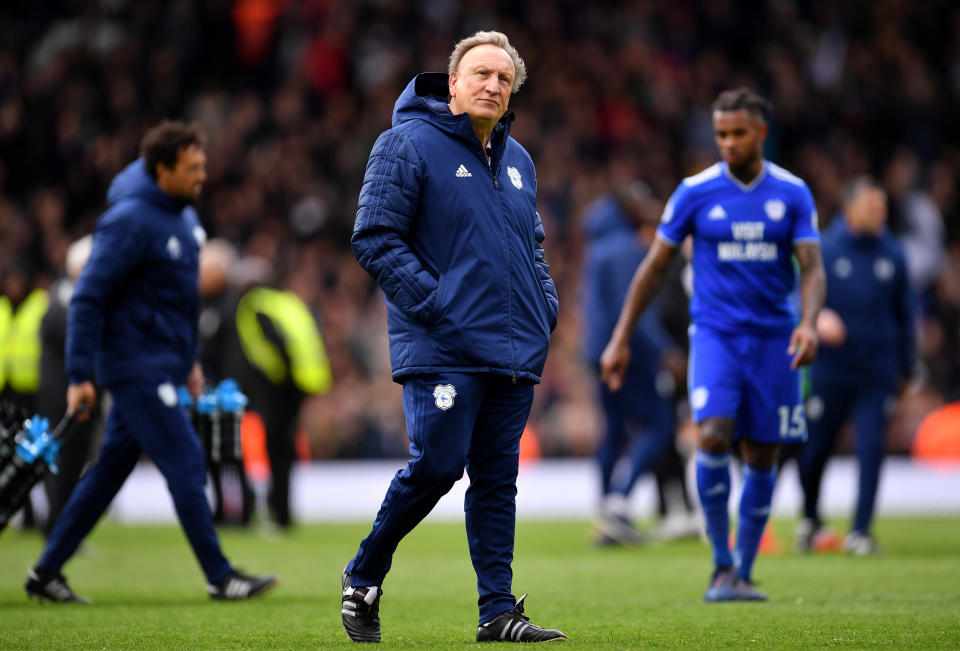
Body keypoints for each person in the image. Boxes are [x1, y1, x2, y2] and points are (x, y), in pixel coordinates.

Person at [341, 31, 565, 643]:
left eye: (503, 78)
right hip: (443, 347)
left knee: (496, 479)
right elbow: (373, 236)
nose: (491, 85)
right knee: (437, 465)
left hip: (514, 348)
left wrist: (544, 308)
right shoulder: (405, 143)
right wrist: (438, 306)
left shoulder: (519, 162)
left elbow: (533, 248)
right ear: (454, 83)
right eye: (480, 74)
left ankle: (497, 611)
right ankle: (363, 574)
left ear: (512, 90)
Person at [23, 121, 277, 603]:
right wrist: (80, 373)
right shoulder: (131, 220)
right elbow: (87, 298)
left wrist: (189, 362)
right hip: (133, 366)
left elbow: (178, 304)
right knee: (185, 459)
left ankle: (44, 572)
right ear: (163, 170)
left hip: (161, 365)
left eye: (203, 165)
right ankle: (220, 577)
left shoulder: (182, 219)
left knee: (106, 475)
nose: (203, 175)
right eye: (193, 167)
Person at [600, 88, 826, 602]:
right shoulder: (694, 192)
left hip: (774, 339)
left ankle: (744, 571)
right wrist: (620, 337)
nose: (727, 143)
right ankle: (721, 565)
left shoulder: (793, 193)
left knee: (763, 450)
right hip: (716, 337)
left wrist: (809, 322)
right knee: (715, 435)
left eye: (737, 133)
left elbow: (812, 268)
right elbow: (654, 268)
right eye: (720, 133)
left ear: (761, 133)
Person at [796, 177, 914, 555]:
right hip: (830, 370)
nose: (880, 214)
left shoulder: (892, 254)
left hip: (876, 372)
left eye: (883, 208)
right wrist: (815, 319)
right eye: (872, 207)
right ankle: (810, 518)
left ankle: (861, 530)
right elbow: (793, 293)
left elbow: (905, 314)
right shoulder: (823, 250)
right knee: (815, 449)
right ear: (849, 209)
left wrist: (907, 369)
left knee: (870, 449)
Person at [580, 181, 695, 545]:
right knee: (659, 423)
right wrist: (666, 350)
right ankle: (618, 502)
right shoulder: (626, 248)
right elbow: (633, 311)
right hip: (628, 352)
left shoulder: (598, 245)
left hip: (596, 349)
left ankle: (607, 512)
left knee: (614, 432)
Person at [37, 235, 104, 536]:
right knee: (63, 460)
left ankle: (62, 526)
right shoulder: (64, 298)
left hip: (82, 391)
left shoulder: (74, 295)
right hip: (62, 394)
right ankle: (55, 526)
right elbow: (74, 343)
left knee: (76, 459)